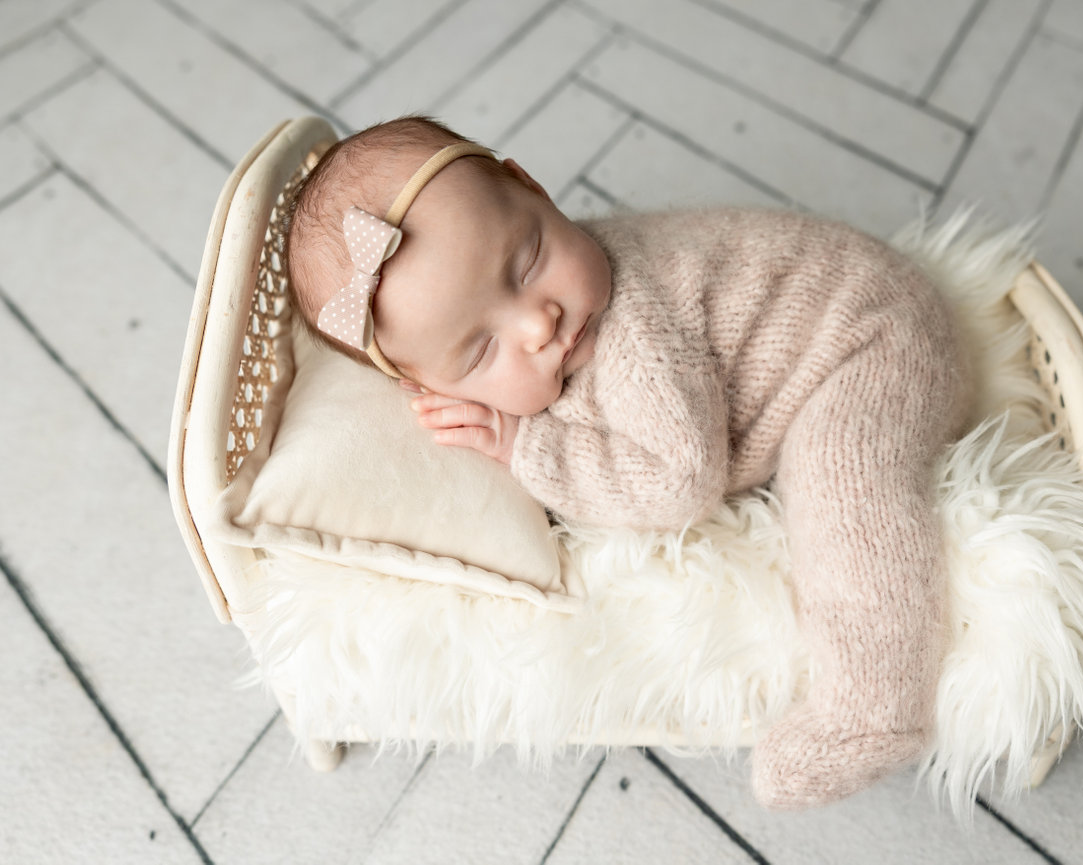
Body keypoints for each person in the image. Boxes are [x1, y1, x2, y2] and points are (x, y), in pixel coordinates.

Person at [285, 115, 974, 809]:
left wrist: (529, 447)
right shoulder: (557, 298)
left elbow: (682, 481)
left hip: (871, 338)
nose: (538, 322)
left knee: (845, 493)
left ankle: (878, 703)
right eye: (480, 351)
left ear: (534, 188)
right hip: (839, 316)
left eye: (527, 262)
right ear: (433, 389)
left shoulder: (633, 339)